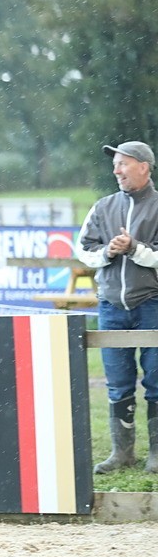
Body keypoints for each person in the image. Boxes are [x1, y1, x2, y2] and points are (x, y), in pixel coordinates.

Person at [77, 141, 158, 474]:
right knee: (117, 382)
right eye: (115, 165)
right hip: (111, 306)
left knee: (157, 379)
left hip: (153, 304)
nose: (116, 170)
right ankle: (122, 453)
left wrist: (134, 247)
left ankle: (155, 454)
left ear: (144, 166)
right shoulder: (102, 207)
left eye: (123, 163)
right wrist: (109, 252)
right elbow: (83, 251)